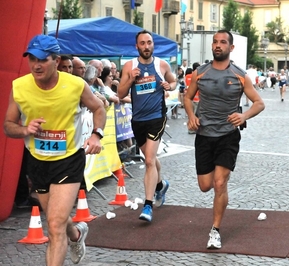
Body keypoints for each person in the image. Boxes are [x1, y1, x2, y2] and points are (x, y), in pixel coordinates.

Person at [3, 34, 106, 265]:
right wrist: (25, 130)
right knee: (54, 219)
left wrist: (96, 135)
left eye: (42, 59)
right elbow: (8, 126)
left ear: (56, 61)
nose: (36, 65)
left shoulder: (75, 85)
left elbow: (99, 108)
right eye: (32, 59)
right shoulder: (19, 87)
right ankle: (77, 234)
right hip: (38, 160)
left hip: (68, 159)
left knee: (55, 225)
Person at [183, 30, 265, 249]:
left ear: (231, 48)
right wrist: (191, 116)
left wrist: (244, 116)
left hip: (228, 136)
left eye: (223, 42)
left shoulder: (239, 75)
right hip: (204, 135)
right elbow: (187, 97)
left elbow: (259, 102)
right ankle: (219, 198)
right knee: (205, 185)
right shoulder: (201, 72)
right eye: (215, 42)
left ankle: (215, 230)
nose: (218, 45)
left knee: (220, 183)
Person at [118, 30, 176, 222]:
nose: (146, 46)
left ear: (153, 45)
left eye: (149, 42)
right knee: (149, 158)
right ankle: (160, 185)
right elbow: (120, 93)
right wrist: (130, 79)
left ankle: (148, 206)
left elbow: (174, 80)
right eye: (142, 43)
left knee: (149, 161)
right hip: (138, 120)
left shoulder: (161, 64)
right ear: (137, 46)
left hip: (157, 116)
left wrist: (170, 86)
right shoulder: (129, 66)